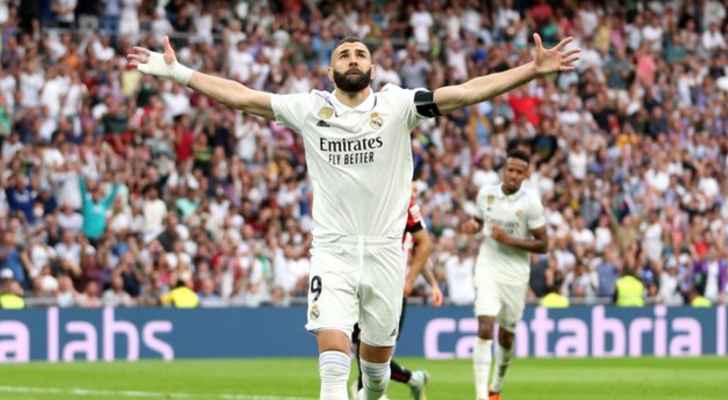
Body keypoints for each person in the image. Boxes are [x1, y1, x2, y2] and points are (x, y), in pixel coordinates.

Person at [128, 34, 578, 400]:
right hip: (333, 253)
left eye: (360, 53)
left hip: (385, 256)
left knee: (376, 376)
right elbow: (244, 96)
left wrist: (529, 70)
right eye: (343, 54)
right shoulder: (310, 109)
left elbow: (463, 93)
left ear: (372, 67)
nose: (353, 59)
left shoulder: (398, 106)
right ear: (330, 71)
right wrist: (179, 73)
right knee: (332, 367)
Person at [462, 149, 549, 400]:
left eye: (519, 172)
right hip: (488, 265)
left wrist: (509, 240)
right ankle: (481, 396)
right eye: (510, 170)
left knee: (507, 335)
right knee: (485, 326)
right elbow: (479, 220)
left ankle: (496, 387)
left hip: (516, 274)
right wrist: (472, 226)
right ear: (503, 170)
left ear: (526, 175)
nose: (513, 175)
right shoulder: (486, 194)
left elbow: (543, 245)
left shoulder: (531, 202)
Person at [351, 190, 444, 400]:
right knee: (363, 347)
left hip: (392, 290)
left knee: (377, 351)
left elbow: (422, 250)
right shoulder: (373, 203)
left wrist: (420, 283)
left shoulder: (404, 207)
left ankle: (401, 383)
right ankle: (408, 381)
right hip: (363, 285)